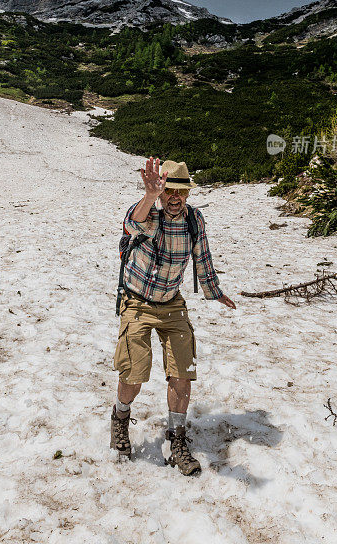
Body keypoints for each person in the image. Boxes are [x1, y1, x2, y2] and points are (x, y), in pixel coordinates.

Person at [110, 156, 236, 475]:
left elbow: (202, 257)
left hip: (171, 303)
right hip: (137, 302)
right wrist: (150, 195)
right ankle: (120, 417)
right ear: (162, 191)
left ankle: (176, 439)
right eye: (169, 191)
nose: (175, 197)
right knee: (134, 375)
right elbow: (131, 224)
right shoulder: (150, 214)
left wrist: (214, 290)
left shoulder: (194, 220)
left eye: (181, 191)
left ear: (188, 193)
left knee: (183, 371)